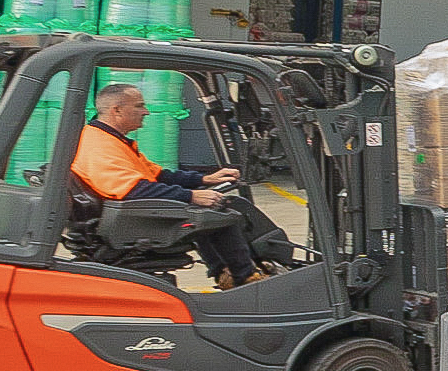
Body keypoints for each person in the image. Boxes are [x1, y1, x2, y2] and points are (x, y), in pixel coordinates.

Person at [72, 83, 289, 287]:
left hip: (129, 212)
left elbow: (158, 175)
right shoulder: (99, 144)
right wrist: (191, 196)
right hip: (127, 218)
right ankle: (246, 278)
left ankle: (226, 272)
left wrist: (204, 180)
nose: (146, 111)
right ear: (117, 110)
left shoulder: (111, 139)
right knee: (218, 213)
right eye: (139, 106)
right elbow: (134, 189)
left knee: (225, 205)